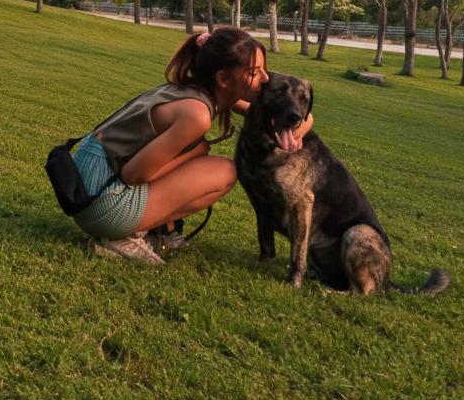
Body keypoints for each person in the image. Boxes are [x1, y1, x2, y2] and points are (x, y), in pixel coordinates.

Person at [72, 26, 314, 265]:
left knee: (205, 163)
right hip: (100, 201)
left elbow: (288, 114)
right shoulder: (196, 114)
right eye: (255, 71)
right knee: (224, 171)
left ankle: (158, 230)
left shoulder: (195, 89)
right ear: (223, 79)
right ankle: (123, 236)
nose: (266, 79)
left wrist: (297, 130)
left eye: (264, 69)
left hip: (85, 185)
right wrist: (195, 152)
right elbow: (134, 174)